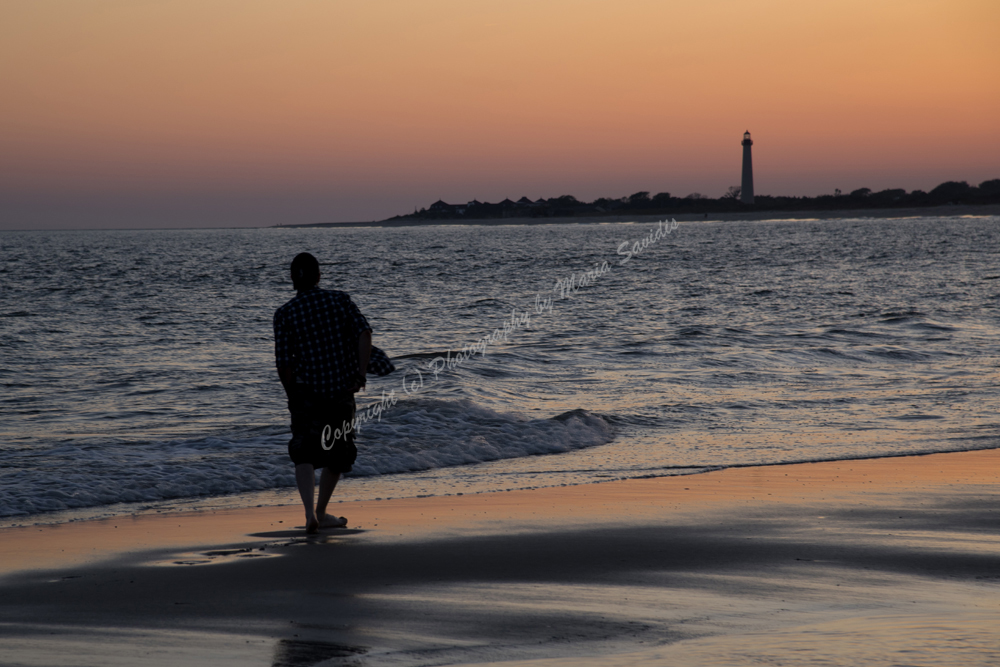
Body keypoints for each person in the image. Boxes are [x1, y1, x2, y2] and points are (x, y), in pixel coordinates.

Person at [273, 252, 387, 533]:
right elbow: (365, 334)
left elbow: (284, 363)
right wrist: (360, 375)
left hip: (306, 393)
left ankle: (309, 513)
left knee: (303, 451)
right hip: (340, 391)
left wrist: (291, 396)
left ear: (292, 280)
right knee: (338, 452)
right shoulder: (340, 300)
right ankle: (322, 512)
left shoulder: (285, 313)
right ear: (318, 275)